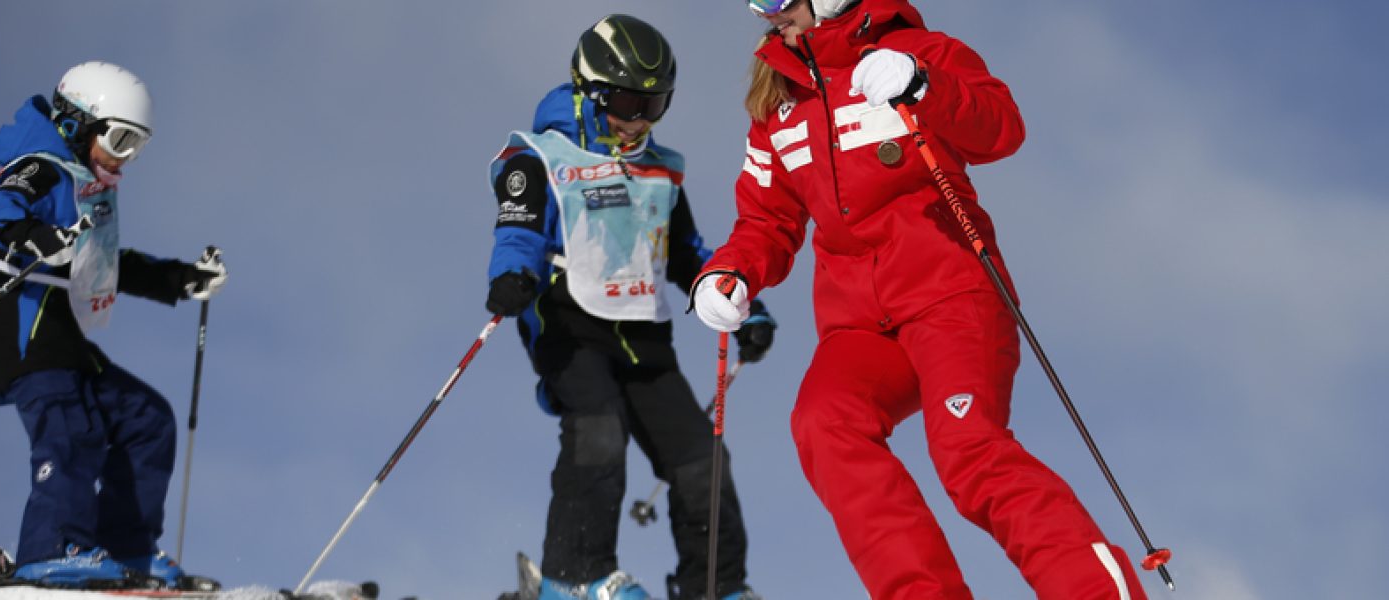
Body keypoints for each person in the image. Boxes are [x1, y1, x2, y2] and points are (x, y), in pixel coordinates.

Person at [688, 1, 1149, 598]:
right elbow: (767, 217)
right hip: (861, 324)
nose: (762, 12)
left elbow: (1001, 127)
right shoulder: (779, 103)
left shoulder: (920, 53)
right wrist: (728, 273)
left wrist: (922, 85)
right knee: (823, 422)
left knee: (967, 452)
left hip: (949, 294)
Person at [484, 15, 774, 600]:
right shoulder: (542, 155)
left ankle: (715, 586)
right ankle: (575, 578)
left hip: (642, 334)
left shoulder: (659, 170)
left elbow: (690, 253)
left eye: (654, 104)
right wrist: (512, 276)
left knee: (701, 459)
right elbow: (519, 231)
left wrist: (744, 300)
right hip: (567, 323)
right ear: (590, 93)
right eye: (624, 101)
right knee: (598, 433)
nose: (638, 119)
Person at [0, 61, 225, 590]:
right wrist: (32, 234)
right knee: (72, 427)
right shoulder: (42, 166)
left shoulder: (88, 187)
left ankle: (127, 549)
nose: (124, 157)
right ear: (75, 121)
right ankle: (50, 550)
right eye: (118, 139)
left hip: (56, 323)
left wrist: (180, 278)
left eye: (136, 146)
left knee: (145, 418)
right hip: (16, 314)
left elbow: (107, 265)